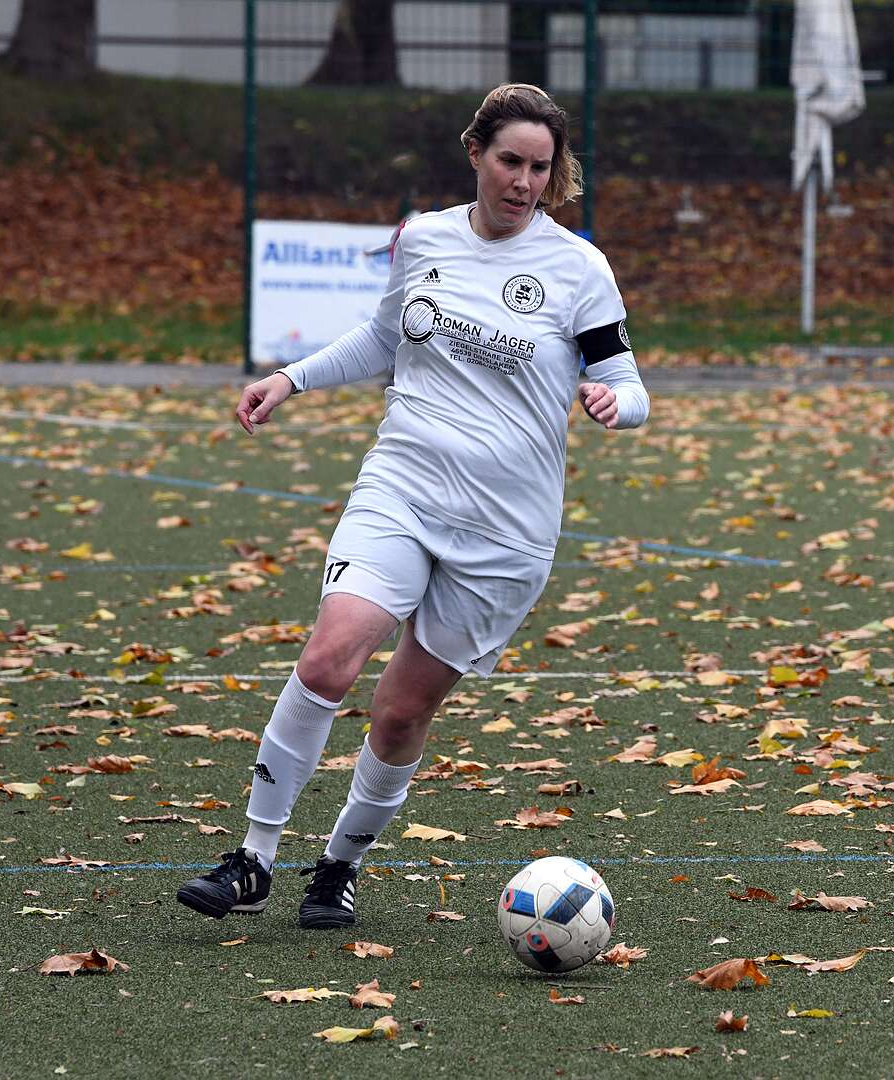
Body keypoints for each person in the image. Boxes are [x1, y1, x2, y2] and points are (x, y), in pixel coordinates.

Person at [177, 83, 649, 930]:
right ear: (475, 153)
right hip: (403, 486)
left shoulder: (579, 268)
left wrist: (617, 404)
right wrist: (290, 378)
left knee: (399, 712)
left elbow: (628, 382)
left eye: (541, 167)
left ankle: (338, 867)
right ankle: (254, 857)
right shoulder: (424, 237)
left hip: (506, 532)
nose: (524, 182)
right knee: (329, 660)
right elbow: (382, 338)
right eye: (510, 161)